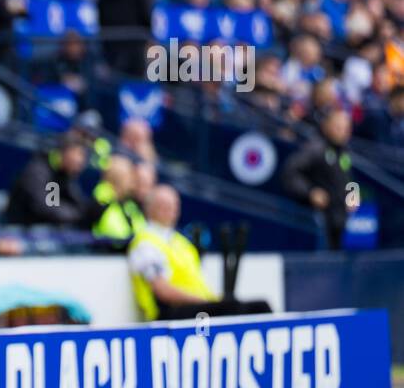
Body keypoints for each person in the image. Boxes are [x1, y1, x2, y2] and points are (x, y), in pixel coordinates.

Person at [127, 185, 271, 321]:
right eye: (165, 206)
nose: (172, 210)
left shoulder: (179, 241)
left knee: (259, 306)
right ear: (150, 208)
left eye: (175, 205)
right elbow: (162, 290)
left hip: (197, 306)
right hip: (173, 312)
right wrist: (204, 301)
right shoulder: (146, 243)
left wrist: (210, 300)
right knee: (240, 309)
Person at [281, 108, 356, 250]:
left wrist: (353, 195)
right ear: (326, 126)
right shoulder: (315, 149)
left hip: (339, 218)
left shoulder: (344, 151)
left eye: (347, 128)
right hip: (317, 220)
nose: (344, 132)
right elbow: (290, 172)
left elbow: (349, 177)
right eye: (338, 127)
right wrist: (310, 192)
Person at [5, 131, 101, 228]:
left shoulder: (64, 174)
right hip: (18, 231)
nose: (82, 162)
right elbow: (46, 208)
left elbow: (77, 204)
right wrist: (78, 215)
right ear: (66, 151)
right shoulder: (38, 170)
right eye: (80, 154)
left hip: (44, 231)